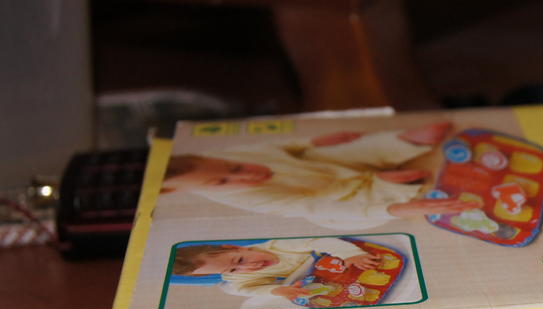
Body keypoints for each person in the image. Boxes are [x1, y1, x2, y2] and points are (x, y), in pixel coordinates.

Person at [161, 122, 478, 230]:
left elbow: (278, 147)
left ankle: (402, 143)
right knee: (338, 214)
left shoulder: (226, 154)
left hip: (322, 166)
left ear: (212, 156)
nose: (246, 176)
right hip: (334, 196)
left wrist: (312, 142)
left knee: (347, 152)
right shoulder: (248, 197)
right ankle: (392, 186)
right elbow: (316, 207)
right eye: (223, 182)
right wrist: (395, 209)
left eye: (234, 168)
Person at [173, 237, 380, 302]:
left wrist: (349, 254)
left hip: (338, 262)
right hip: (319, 280)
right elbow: (247, 289)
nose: (250, 267)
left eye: (241, 259)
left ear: (236, 247)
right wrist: (276, 290)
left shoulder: (278, 245)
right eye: (234, 270)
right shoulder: (235, 279)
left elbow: (320, 240)